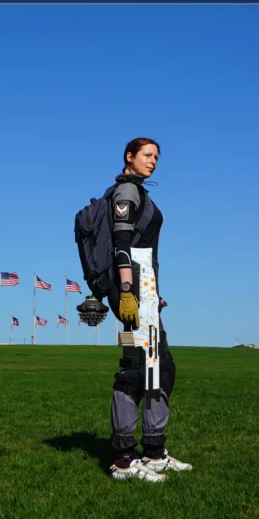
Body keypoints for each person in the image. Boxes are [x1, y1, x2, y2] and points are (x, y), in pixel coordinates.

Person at [108, 137, 192, 482]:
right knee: (133, 369)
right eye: (147, 155)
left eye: (156, 156)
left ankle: (154, 452)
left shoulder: (141, 192)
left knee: (159, 369)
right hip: (132, 287)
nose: (153, 161)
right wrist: (128, 291)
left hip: (146, 287)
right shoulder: (126, 193)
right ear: (129, 157)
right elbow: (121, 244)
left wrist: (152, 294)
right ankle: (123, 461)